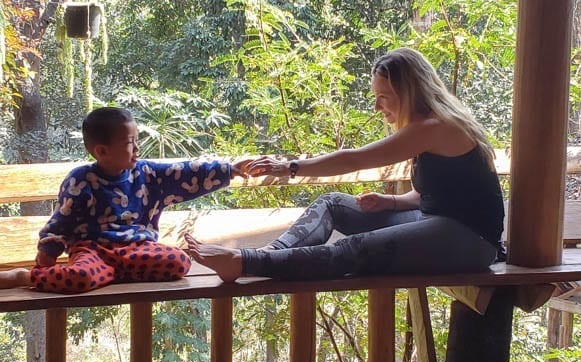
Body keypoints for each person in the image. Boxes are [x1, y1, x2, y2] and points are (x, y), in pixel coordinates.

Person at [185, 48, 505, 283]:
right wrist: (391, 201)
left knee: (353, 249)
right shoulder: (428, 129)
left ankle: (244, 262)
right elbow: (440, 195)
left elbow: (355, 159)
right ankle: (268, 256)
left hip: (471, 242)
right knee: (333, 204)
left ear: (409, 92)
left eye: (384, 96)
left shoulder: (436, 127)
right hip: (437, 221)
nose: (377, 106)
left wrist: (289, 167)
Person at [0, 106, 249, 293]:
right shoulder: (81, 180)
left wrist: (227, 170)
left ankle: (112, 274)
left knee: (179, 262)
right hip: (95, 252)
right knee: (80, 278)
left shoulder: (148, 174)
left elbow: (184, 172)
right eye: (130, 143)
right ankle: (24, 277)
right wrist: (47, 257)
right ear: (102, 151)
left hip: (138, 250)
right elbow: (62, 222)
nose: (137, 149)